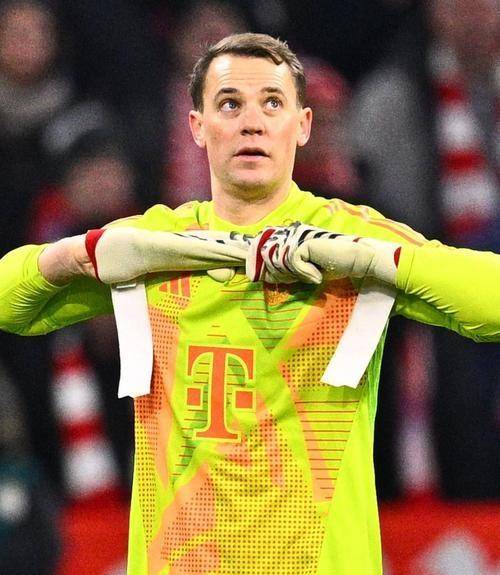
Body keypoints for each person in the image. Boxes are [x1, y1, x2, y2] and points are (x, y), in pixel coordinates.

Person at [0, 33, 499, 575]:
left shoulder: (351, 237)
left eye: (272, 103)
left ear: (302, 125)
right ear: (197, 127)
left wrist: (380, 262)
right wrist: (79, 253)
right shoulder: (154, 246)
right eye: (230, 104)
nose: (252, 123)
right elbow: (8, 306)